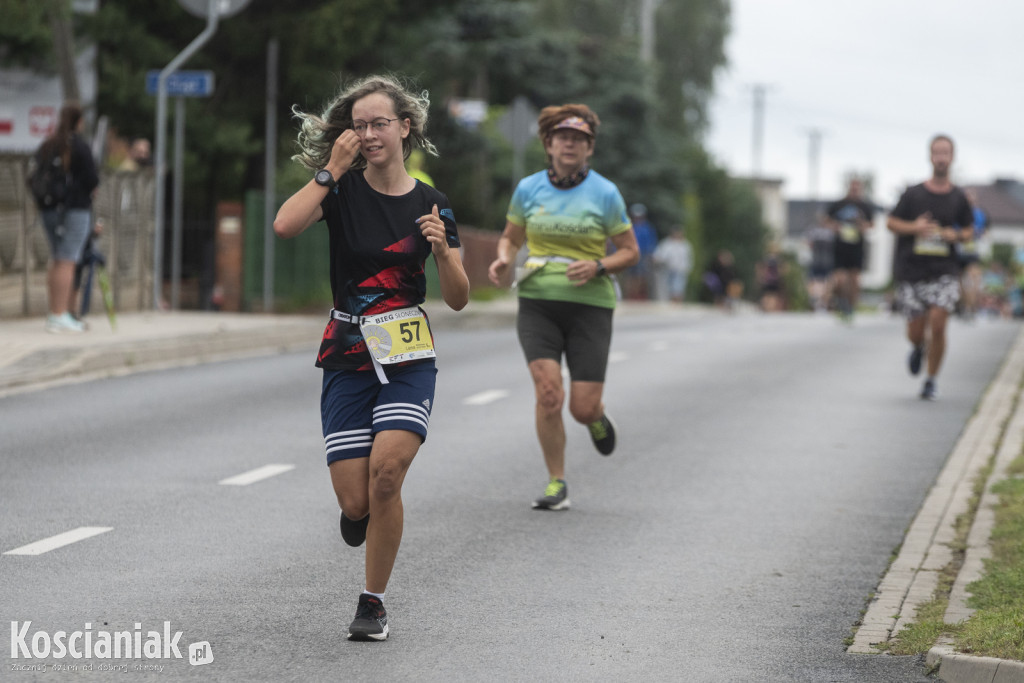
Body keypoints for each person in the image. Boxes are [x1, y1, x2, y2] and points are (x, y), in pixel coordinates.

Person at [273, 74, 469, 641]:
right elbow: (285, 225)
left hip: (408, 354)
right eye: (360, 125)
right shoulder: (341, 189)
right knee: (357, 498)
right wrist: (330, 168)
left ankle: (373, 603)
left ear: (405, 127)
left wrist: (443, 252)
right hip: (348, 351)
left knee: (388, 475)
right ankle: (355, 515)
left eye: (380, 123)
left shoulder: (434, 204)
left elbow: (458, 298)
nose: (369, 133)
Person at [487, 103, 639, 511]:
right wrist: (504, 257)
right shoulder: (529, 188)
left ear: (589, 149)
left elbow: (630, 251)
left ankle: (597, 418)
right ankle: (557, 481)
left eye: (580, 139)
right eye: (562, 137)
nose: (570, 144)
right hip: (538, 301)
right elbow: (511, 237)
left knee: (581, 406)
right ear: (549, 144)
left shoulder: (605, 193)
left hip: (591, 305)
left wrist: (599, 265)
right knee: (549, 393)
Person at [887, 134, 974, 400]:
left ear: (952, 157)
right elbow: (891, 222)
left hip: (944, 270)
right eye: (937, 152)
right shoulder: (913, 194)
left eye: (946, 153)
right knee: (916, 330)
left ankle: (931, 380)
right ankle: (917, 346)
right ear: (930, 156)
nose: (941, 158)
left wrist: (954, 235)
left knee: (938, 324)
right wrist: (915, 227)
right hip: (912, 270)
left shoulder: (959, 197)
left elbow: (970, 231)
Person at [33, 102, 100, 333]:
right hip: (75, 209)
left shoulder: (48, 145)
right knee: (68, 260)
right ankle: (60, 314)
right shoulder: (79, 146)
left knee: (57, 259)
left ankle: (55, 311)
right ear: (79, 122)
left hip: (48, 209)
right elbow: (92, 179)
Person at [825, 178, 874, 320]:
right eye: (853, 186)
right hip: (840, 246)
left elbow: (871, 224)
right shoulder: (838, 204)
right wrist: (835, 227)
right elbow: (826, 220)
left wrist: (862, 226)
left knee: (854, 280)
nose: (855, 189)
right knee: (839, 280)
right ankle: (840, 301)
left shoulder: (865, 206)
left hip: (857, 247)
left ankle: (850, 309)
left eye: (857, 187)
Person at [958, 188, 988, 319]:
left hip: (970, 252)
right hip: (961, 251)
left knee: (971, 282)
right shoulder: (976, 213)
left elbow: (985, 231)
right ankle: (967, 306)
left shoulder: (979, 214)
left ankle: (969, 307)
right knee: (964, 282)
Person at [625, 203, 657, 299]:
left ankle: (640, 295)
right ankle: (631, 295)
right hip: (630, 254)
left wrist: (650, 255)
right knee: (630, 276)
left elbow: (651, 243)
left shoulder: (647, 228)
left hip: (643, 255)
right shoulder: (630, 227)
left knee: (642, 276)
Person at [652, 226, 692, 302]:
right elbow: (659, 255)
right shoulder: (666, 243)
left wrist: (687, 269)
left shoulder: (685, 245)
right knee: (669, 290)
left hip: (680, 270)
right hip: (668, 270)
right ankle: (672, 305)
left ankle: (677, 304)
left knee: (678, 289)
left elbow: (688, 259)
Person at [805, 213, 834, 312]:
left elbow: (809, 243)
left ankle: (820, 301)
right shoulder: (830, 231)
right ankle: (820, 301)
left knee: (818, 281)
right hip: (823, 260)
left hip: (820, 260)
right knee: (822, 281)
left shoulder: (813, 230)